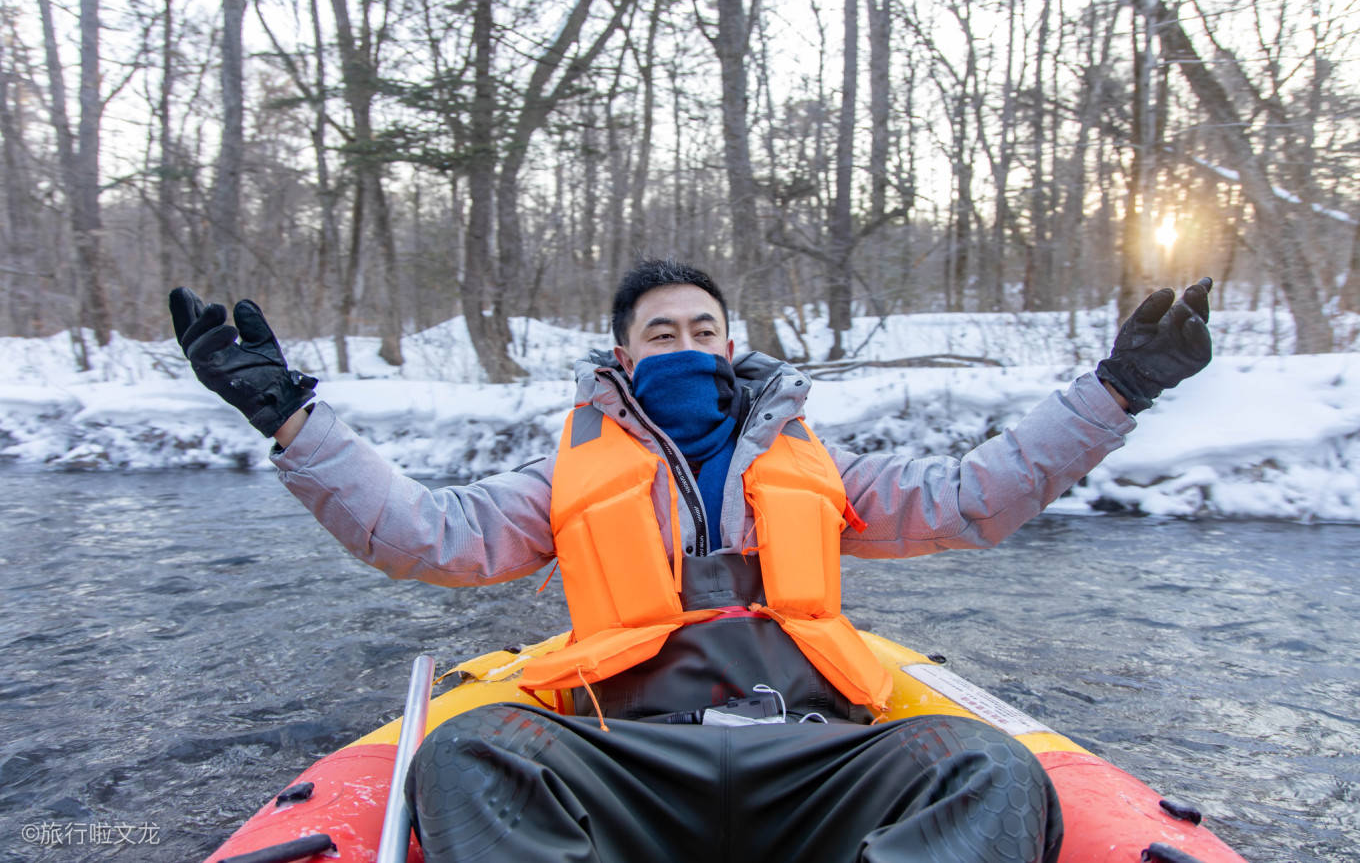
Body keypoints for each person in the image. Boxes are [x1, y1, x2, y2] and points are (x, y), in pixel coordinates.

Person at [169, 262, 1212, 863]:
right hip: (629, 755)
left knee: (985, 765)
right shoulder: (561, 475)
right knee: (469, 749)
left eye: (701, 327)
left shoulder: (820, 464)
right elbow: (419, 534)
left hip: (806, 756)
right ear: (622, 356)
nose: (682, 341)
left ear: (729, 348)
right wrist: (292, 420)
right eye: (658, 329)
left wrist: (1115, 389)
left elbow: (975, 498)